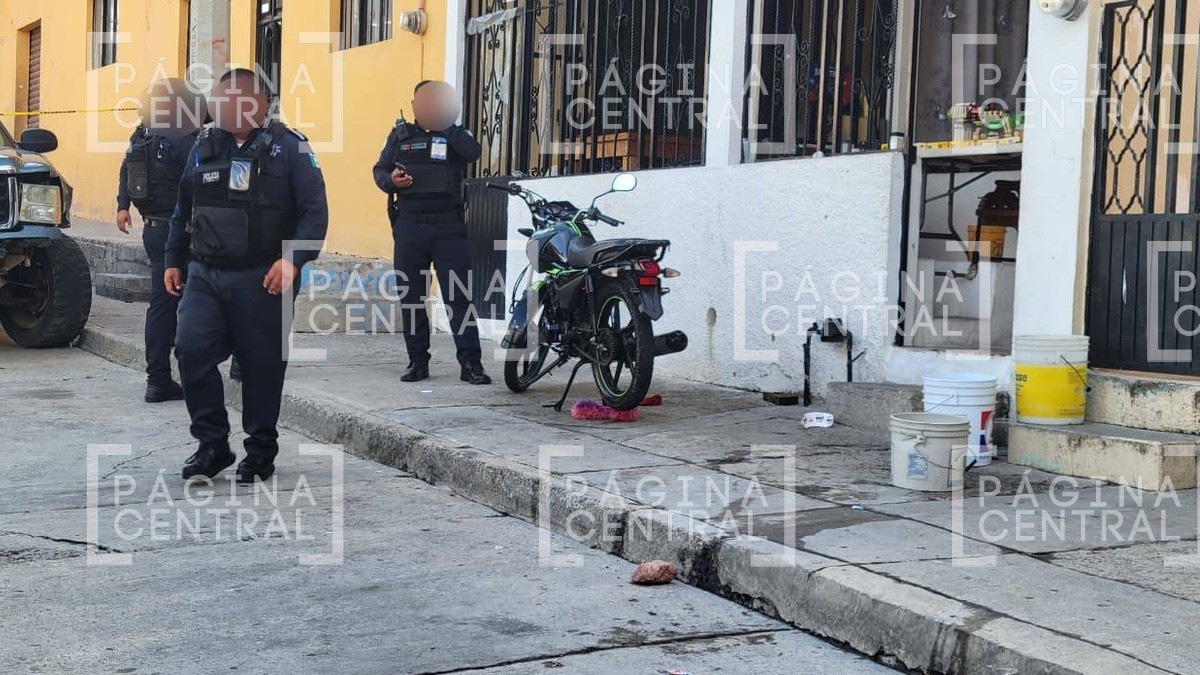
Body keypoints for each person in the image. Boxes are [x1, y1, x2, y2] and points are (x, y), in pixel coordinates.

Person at [164, 68, 328, 482]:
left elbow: (314, 212)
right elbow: (184, 208)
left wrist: (292, 259)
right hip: (205, 273)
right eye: (219, 101)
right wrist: (172, 259)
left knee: (262, 367)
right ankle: (212, 443)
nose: (224, 108)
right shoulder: (203, 144)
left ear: (259, 103)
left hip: (264, 277)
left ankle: (260, 451)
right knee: (190, 349)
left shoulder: (290, 148)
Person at [372, 80, 491, 385]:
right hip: (410, 226)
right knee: (412, 298)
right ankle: (417, 362)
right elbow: (380, 170)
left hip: (448, 227)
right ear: (414, 106)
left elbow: (472, 153)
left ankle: (471, 364)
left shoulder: (455, 134)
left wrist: (447, 125)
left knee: (458, 297)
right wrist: (392, 180)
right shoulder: (400, 135)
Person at [116, 78, 203, 403]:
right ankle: (219, 369)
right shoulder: (187, 139)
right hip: (185, 233)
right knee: (206, 300)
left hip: (153, 229)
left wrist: (122, 207)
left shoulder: (142, 133)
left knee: (161, 304)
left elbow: (125, 170)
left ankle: (157, 379)